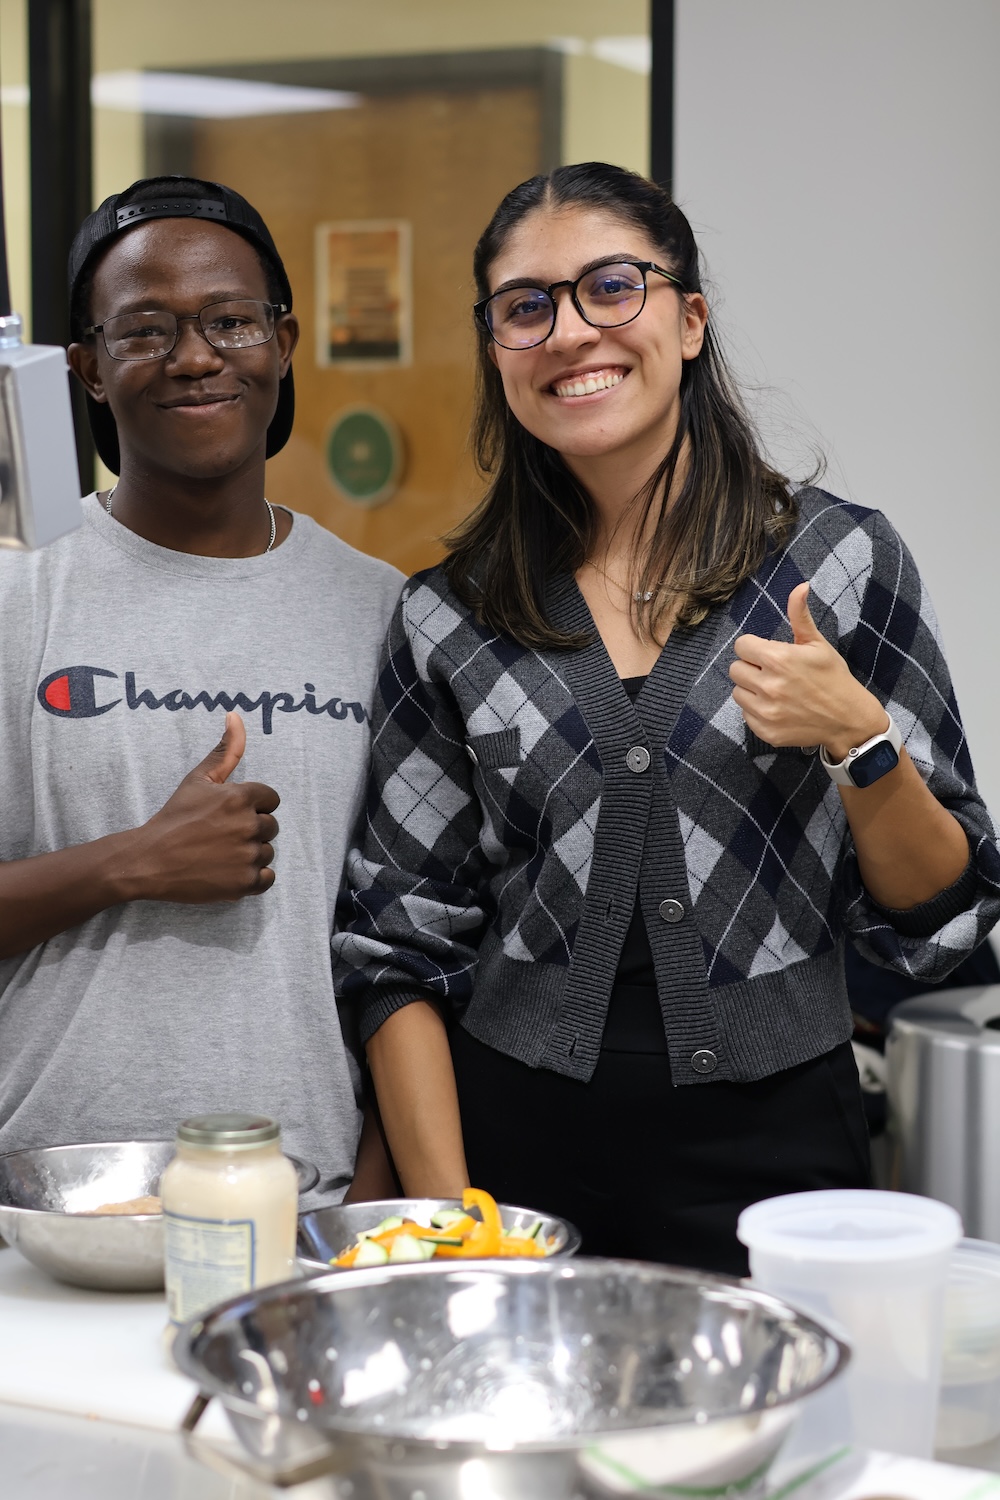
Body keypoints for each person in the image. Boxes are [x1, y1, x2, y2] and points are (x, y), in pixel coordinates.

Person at [331, 162, 1000, 1272]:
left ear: (688, 320)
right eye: (525, 307)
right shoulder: (450, 615)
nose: (569, 333)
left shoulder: (840, 563)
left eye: (611, 287)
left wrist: (859, 739)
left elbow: (946, 915)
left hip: (781, 1161)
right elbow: (397, 945)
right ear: (496, 350)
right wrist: (457, 1225)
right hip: (512, 1159)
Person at [0, 176, 402, 1200]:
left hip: (303, 1201)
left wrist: (369, 1199)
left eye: (230, 321)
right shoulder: (14, 593)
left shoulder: (384, 612)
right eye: (146, 330)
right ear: (88, 369)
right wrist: (130, 862)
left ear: (283, 343)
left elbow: (415, 943)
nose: (194, 357)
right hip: (43, 1199)